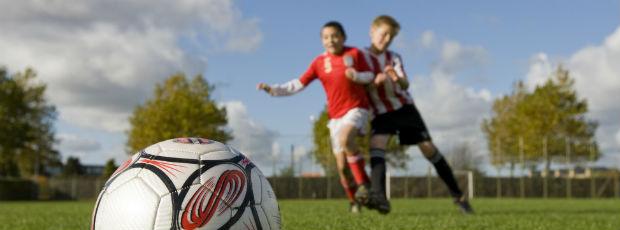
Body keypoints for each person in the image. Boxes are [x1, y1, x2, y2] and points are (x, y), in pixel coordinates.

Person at [257, 21, 375, 213]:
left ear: (343, 37)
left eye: (335, 35)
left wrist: (358, 77)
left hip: (356, 108)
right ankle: (355, 202)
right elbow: (298, 83)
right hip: (335, 117)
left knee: (346, 138)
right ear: (322, 41)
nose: (331, 40)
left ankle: (365, 185)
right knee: (342, 166)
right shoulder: (319, 62)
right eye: (326, 37)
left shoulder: (354, 53)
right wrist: (273, 90)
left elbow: (370, 75)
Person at [361, 15, 474, 214]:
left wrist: (396, 78)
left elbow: (405, 83)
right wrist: (372, 84)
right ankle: (378, 196)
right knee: (377, 144)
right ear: (372, 30)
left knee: (428, 148)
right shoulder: (360, 56)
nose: (387, 39)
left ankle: (459, 196)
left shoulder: (393, 57)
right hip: (381, 112)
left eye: (391, 36)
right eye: (384, 33)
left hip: (405, 108)